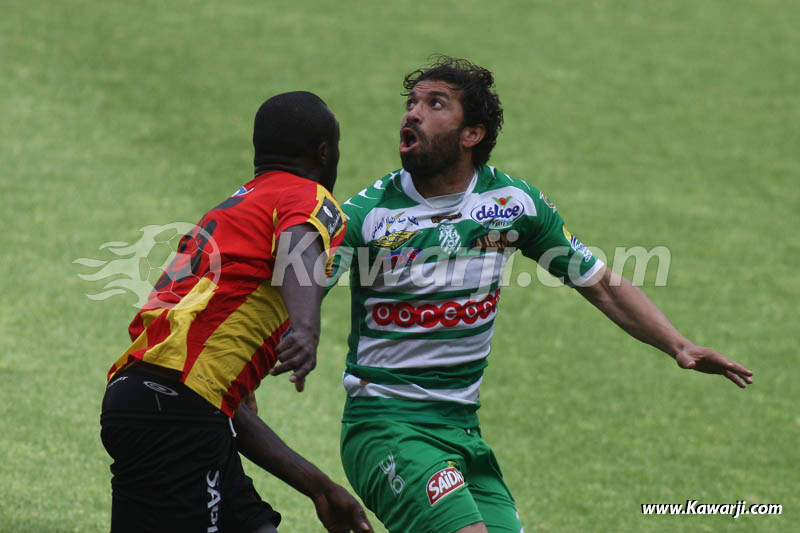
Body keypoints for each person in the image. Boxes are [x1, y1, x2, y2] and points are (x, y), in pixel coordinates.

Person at [327, 56, 753, 533]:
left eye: (434, 103)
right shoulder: (369, 214)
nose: (412, 113)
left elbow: (599, 284)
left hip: (462, 430)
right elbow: (295, 295)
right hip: (385, 425)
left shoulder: (512, 204)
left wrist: (679, 344)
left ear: (473, 134)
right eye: (411, 103)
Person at [100, 91, 373, 533]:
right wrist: (305, 328)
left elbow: (225, 416)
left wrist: (320, 489)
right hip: (174, 412)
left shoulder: (233, 213)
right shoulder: (306, 196)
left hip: (141, 401)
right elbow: (298, 245)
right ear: (325, 152)